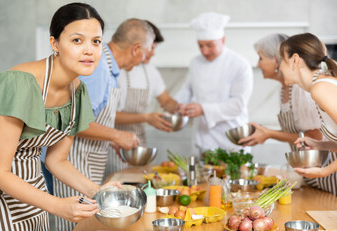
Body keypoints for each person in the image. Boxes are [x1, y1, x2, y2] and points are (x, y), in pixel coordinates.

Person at [0, 3, 121, 231]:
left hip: (32, 190)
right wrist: (57, 205)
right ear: (54, 43)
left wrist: (98, 191)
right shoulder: (20, 82)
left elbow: (57, 160)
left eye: (96, 41)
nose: (89, 50)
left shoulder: (77, 91)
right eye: (77, 40)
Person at [54, 18, 155, 231]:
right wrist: (117, 134)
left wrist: (111, 139)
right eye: (147, 53)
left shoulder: (108, 68)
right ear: (137, 49)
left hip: (83, 162)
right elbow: (75, 121)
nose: (146, 59)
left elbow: (88, 115)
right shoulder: (99, 67)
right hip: (72, 162)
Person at [105, 20, 179, 178]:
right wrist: (146, 118)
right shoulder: (118, 68)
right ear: (137, 47)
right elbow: (108, 115)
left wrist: (181, 109)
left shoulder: (150, 70)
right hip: (114, 142)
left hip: (138, 142)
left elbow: (166, 101)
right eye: (151, 48)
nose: (152, 53)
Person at [176, 12, 253, 154]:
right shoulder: (195, 62)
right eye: (200, 46)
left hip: (231, 138)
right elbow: (186, 90)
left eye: (210, 45)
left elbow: (238, 105)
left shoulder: (239, 64)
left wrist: (203, 109)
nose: (204, 51)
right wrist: (178, 106)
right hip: (203, 138)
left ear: (223, 40)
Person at [239, 33, 322, 150]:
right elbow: (298, 131)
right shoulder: (284, 89)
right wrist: (265, 132)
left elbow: (315, 138)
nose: (258, 64)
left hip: (322, 164)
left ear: (276, 60)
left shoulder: (301, 90)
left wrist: (270, 134)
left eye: (261, 58)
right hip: (305, 162)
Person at [279, 32, 337, 196]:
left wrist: (323, 171)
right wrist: (321, 145)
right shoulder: (321, 85)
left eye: (282, 60)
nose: (280, 67)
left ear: (295, 60)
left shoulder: (320, 89)